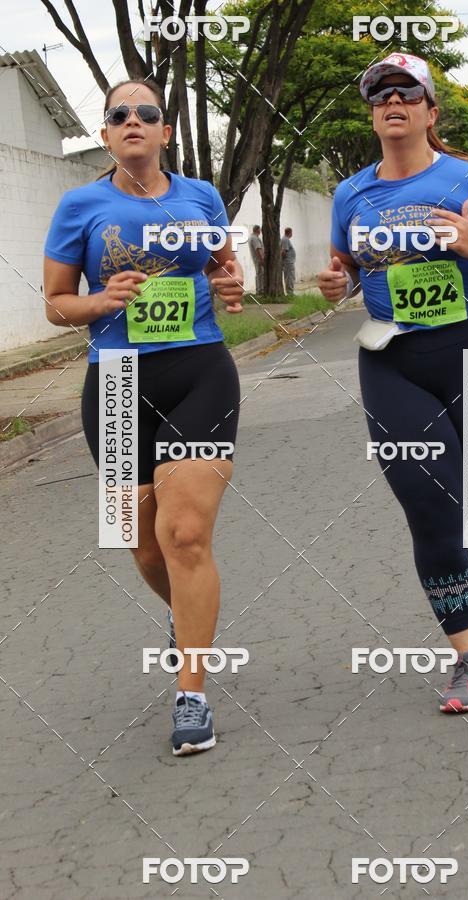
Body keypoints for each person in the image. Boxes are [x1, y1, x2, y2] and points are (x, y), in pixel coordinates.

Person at [318, 52, 468, 714]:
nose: (393, 102)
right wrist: (337, 282)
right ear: (372, 114)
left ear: (429, 111)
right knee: (428, 501)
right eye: (380, 94)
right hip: (392, 360)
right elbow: (348, 269)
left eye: (407, 93)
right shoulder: (351, 195)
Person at [43, 79, 244, 755]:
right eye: (119, 114)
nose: (133, 120)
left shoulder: (201, 197)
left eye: (146, 113)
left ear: (165, 131)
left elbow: (223, 267)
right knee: (141, 540)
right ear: (105, 134)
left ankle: (192, 694)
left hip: (199, 369)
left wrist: (229, 284)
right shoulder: (79, 205)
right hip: (117, 381)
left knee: (183, 533)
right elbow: (56, 302)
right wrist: (101, 302)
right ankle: (186, 616)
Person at [249, 224, 265, 295]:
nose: (260, 231)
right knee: (260, 274)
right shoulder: (255, 238)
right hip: (258, 259)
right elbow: (258, 249)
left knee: (259, 274)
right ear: (257, 230)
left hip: (257, 258)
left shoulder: (252, 237)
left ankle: (259, 289)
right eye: (260, 229)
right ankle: (260, 290)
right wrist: (262, 259)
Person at [281, 227, 296, 295]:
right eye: (291, 232)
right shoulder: (285, 239)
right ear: (290, 232)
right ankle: (290, 293)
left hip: (289, 262)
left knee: (290, 277)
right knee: (289, 278)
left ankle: (290, 292)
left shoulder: (285, 239)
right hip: (288, 263)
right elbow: (284, 252)